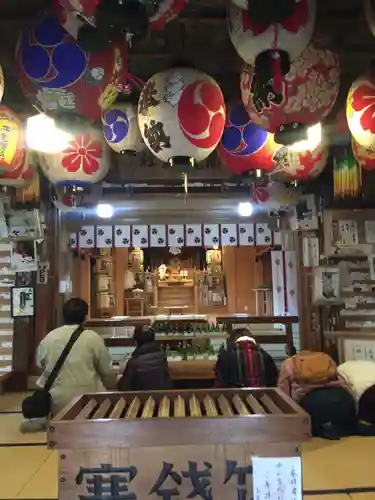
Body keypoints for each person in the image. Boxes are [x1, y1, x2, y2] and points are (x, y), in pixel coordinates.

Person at [36, 298, 117, 416]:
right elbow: (107, 371)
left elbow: (40, 364)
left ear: (63, 316)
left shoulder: (49, 338)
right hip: (90, 399)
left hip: (57, 400)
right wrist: (112, 386)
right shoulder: (92, 338)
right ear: (85, 317)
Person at [278, 351, 357, 439]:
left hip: (311, 406)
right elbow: (343, 382)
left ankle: (322, 429)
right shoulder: (326, 357)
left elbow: (283, 394)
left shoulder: (288, 363)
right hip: (341, 400)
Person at [118, 326, 172, 391]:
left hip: (142, 399)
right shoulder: (162, 356)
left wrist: (119, 379)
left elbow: (123, 387)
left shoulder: (134, 362)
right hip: (163, 397)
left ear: (136, 341)